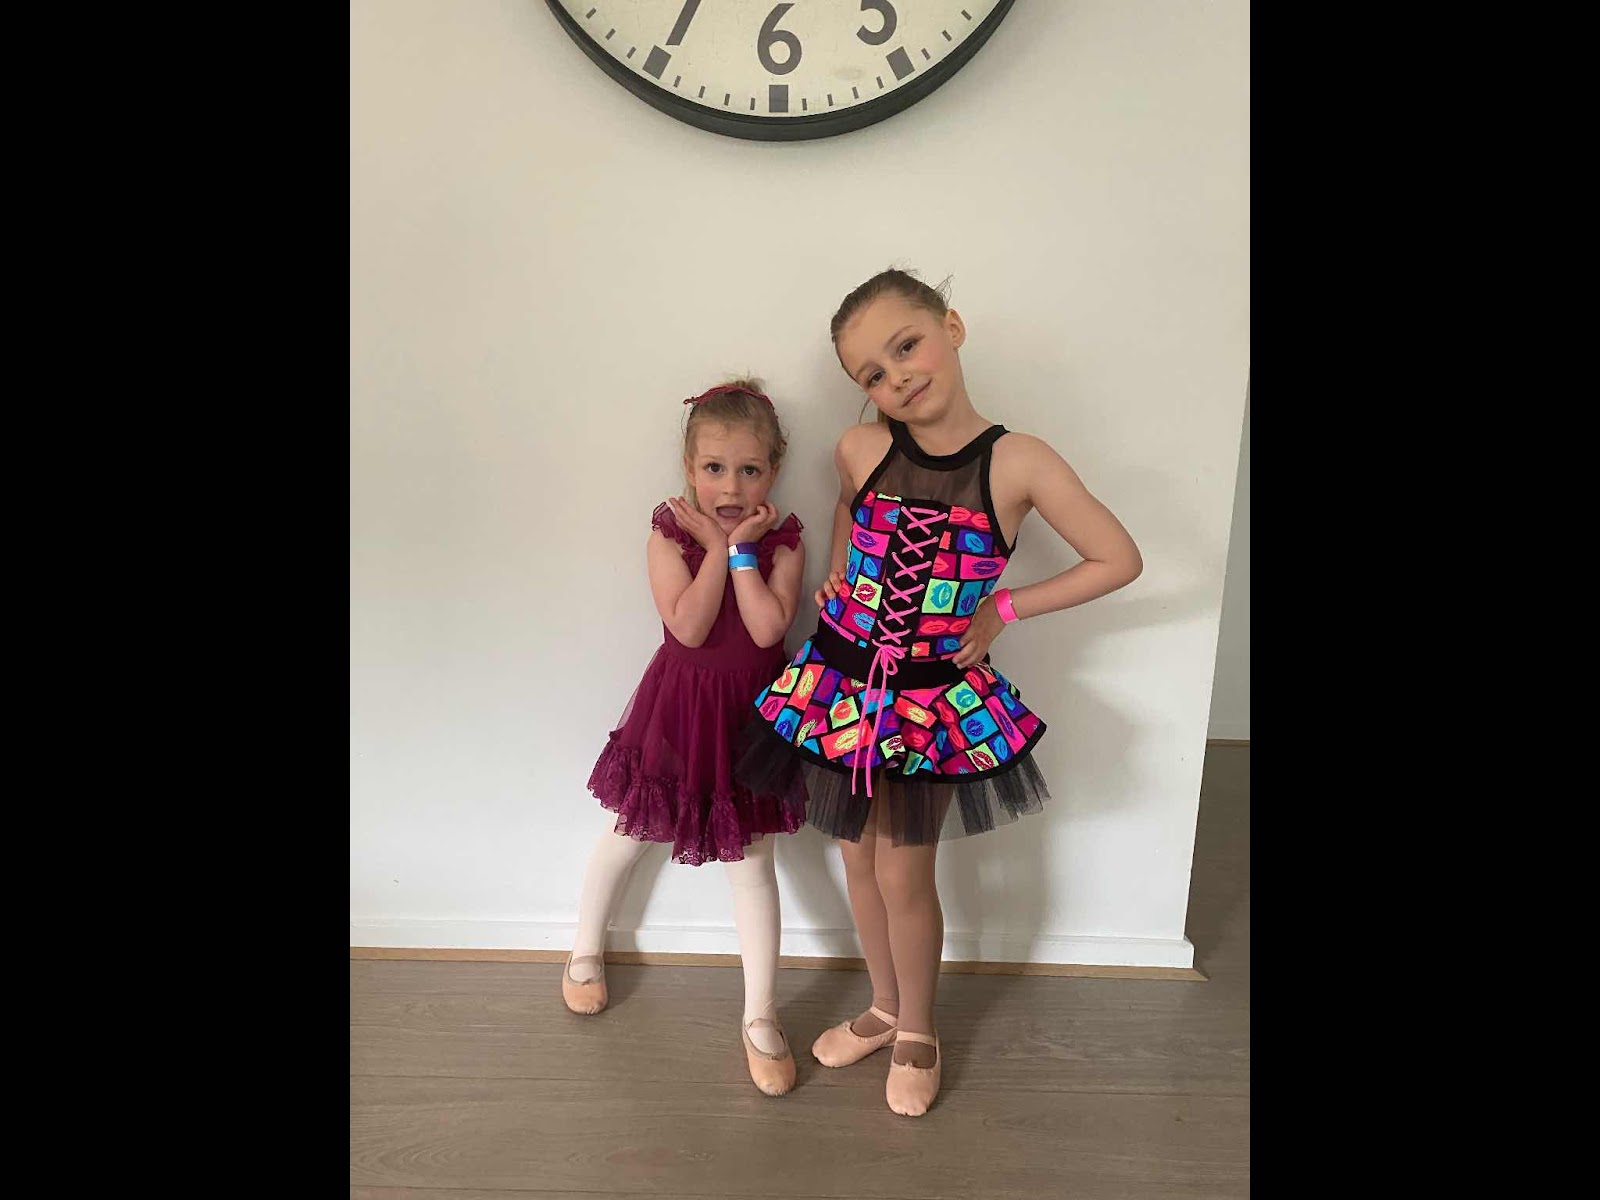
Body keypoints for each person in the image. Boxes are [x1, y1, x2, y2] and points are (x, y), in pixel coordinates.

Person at [737, 270, 1143, 1115]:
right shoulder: (859, 448)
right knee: (854, 855)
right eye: (873, 374)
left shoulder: (1018, 460)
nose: (896, 377)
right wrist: (840, 571)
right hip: (841, 681)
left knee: (903, 869)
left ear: (951, 327)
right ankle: (884, 1005)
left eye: (906, 345)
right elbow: (848, 508)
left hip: (927, 699)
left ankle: (918, 1026)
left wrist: (1003, 609)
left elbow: (1118, 558)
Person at [564, 381, 809, 1097]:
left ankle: (760, 1015)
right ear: (688, 467)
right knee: (629, 832)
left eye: (749, 470)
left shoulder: (784, 543)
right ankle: (584, 949)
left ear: (773, 470)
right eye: (714, 468)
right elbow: (691, 628)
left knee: (753, 863)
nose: (731, 487)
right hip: (679, 709)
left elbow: (766, 630)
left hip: (753, 718)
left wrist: (742, 552)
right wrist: (713, 549)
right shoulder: (668, 536)